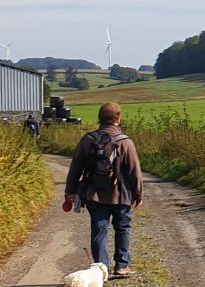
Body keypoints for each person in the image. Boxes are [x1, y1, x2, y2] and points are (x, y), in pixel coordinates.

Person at [62, 102, 143, 278]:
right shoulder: (125, 142)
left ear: (99, 118)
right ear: (118, 119)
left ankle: (100, 270)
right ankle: (122, 266)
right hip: (121, 195)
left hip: (94, 194)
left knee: (99, 229)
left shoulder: (88, 140)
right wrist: (138, 194)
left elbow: (75, 167)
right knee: (123, 228)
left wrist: (70, 191)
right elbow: (134, 170)